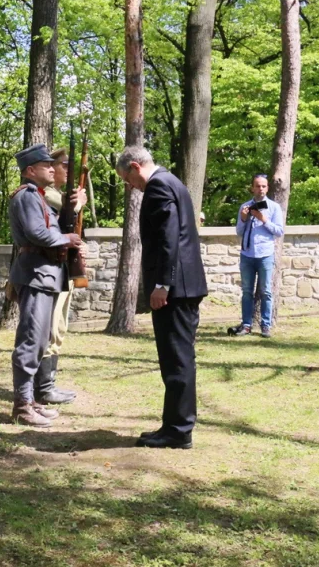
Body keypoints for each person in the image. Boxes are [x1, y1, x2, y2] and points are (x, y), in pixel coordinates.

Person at [116, 146, 207, 450]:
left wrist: (162, 285)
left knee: (176, 359)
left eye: (127, 178)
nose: (130, 185)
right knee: (179, 358)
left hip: (175, 289)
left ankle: (178, 430)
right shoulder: (173, 181)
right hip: (185, 286)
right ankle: (175, 425)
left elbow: (169, 239)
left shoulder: (158, 186)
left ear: (134, 166)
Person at [7, 144, 83, 427]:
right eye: (46, 165)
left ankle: (31, 401)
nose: (53, 168)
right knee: (30, 339)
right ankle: (22, 405)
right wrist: (68, 239)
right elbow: (38, 233)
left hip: (45, 274)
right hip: (36, 274)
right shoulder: (27, 196)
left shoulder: (38, 197)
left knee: (40, 340)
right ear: (30, 170)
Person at [36, 148, 88, 405]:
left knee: (59, 327)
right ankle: (43, 388)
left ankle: (48, 385)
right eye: (63, 165)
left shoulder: (60, 195)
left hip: (62, 267)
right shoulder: (46, 194)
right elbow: (64, 214)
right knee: (49, 328)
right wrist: (78, 204)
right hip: (48, 268)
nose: (67, 170)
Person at [229, 174, 285, 338]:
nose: (260, 189)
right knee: (247, 291)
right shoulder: (244, 206)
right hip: (247, 255)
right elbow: (239, 232)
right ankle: (246, 325)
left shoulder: (274, 207)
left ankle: (265, 325)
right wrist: (243, 218)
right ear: (252, 188)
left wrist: (263, 219)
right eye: (257, 186)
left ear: (267, 188)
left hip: (265, 255)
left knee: (266, 291)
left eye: (263, 186)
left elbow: (279, 231)